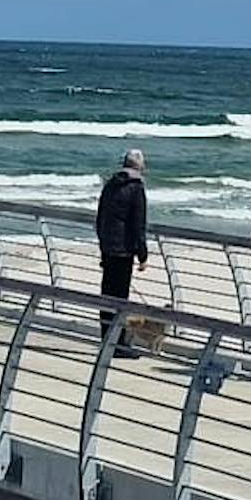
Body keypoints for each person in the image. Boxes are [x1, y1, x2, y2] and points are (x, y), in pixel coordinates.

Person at [95, 148, 150, 358]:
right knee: (120, 299)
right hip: (123, 250)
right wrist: (142, 255)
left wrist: (103, 245)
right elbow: (138, 224)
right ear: (139, 166)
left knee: (107, 296)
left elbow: (101, 218)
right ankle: (118, 345)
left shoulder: (111, 184)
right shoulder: (136, 188)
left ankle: (107, 340)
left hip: (108, 246)